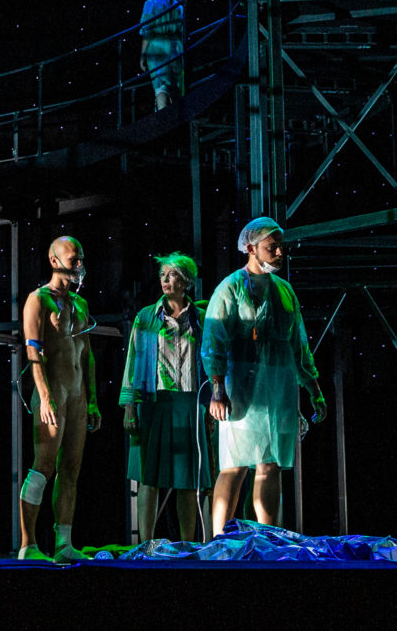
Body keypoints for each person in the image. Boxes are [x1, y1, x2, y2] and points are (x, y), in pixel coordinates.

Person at [204, 217, 324, 532]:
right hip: (242, 385)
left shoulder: (284, 291)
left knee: (270, 464)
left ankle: (269, 536)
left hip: (279, 384)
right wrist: (217, 388)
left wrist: (314, 389)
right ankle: (220, 538)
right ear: (251, 248)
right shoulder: (230, 288)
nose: (280, 253)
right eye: (273, 247)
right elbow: (213, 339)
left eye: (281, 247)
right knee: (234, 464)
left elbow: (298, 345)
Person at [18, 236, 100, 561]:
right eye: (72, 259)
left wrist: (92, 399)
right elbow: (32, 351)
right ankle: (28, 545)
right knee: (43, 467)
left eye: (81, 258)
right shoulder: (38, 299)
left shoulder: (81, 305)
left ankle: (63, 544)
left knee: (71, 469)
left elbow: (88, 355)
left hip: (78, 395)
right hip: (52, 392)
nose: (78, 264)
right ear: (54, 261)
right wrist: (44, 397)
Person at [119, 252, 211, 541]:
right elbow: (133, 363)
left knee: (187, 479)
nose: (165, 280)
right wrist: (130, 407)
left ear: (186, 281)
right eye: (162, 275)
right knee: (149, 476)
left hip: (189, 401)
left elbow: (212, 360)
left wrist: (211, 404)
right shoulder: (146, 316)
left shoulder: (201, 318)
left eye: (171, 275)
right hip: (153, 401)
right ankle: (145, 543)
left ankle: (186, 543)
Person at [138, 0, 186, 112]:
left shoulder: (150, 4)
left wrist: (142, 55)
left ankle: (163, 117)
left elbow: (147, 31)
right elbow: (182, 29)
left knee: (161, 85)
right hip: (176, 46)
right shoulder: (177, 5)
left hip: (157, 46)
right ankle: (179, 117)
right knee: (176, 85)